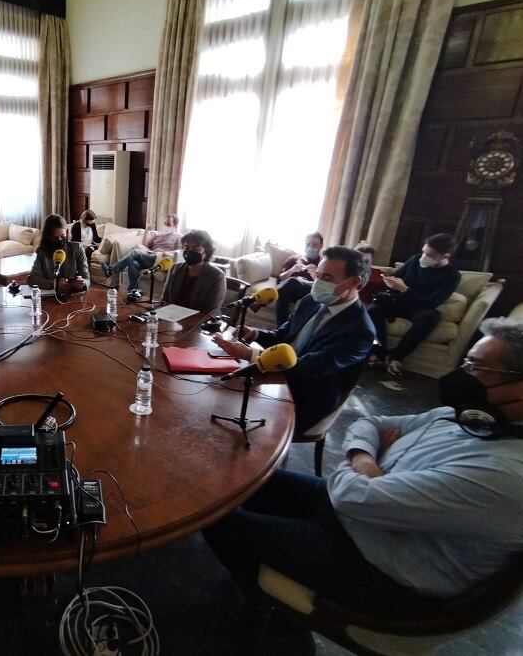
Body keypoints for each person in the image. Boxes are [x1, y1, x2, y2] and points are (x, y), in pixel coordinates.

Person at [203, 318, 523, 633]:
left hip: (379, 570)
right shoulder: (467, 418)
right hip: (365, 519)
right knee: (240, 484)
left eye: (476, 367)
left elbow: (352, 498)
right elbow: (371, 423)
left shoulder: (506, 475)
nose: (462, 375)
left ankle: (260, 598)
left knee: (216, 520)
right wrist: (367, 462)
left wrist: (369, 466)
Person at [214, 246, 375, 433]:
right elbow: (282, 336)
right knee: (220, 391)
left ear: (355, 283)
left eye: (327, 278)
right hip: (279, 377)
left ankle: (269, 459)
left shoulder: (360, 330)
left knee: (244, 416)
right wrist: (255, 334)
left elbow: (311, 367)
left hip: (307, 396)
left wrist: (252, 354)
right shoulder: (311, 301)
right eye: (319, 275)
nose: (318, 283)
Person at [368, 233, 461, 377]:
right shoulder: (415, 259)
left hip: (421, 307)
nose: (424, 257)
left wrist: (405, 289)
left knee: (430, 317)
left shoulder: (452, 275)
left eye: (430, 255)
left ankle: (396, 357)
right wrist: (391, 282)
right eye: (424, 252)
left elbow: (431, 302)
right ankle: (379, 352)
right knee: (373, 310)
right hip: (398, 301)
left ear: (445, 256)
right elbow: (398, 276)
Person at [101, 213, 182, 302]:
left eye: (168, 224)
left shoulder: (178, 236)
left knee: (135, 252)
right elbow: (145, 245)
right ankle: (133, 291)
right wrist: (147, 231)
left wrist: (165, 254)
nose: (166, 225)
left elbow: (179, 252)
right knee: (133, 262)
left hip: (160, 258)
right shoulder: (157, 235)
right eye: (165, 223)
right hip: (150, 256)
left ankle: (111, 270)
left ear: (175, 225)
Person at [160, 230, 226, 313]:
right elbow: (164, 301)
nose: (190, 251)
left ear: (207, 251)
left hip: (199, 322)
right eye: (186, 247)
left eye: (196, 248)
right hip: (171, 318)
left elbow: (211, 312)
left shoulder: (217, 276)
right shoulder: (175, 268)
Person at [28, 213, 90, 294]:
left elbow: (86, 278)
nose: (60, 240)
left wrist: (82, 283)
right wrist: (54, 284)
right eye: (55, 238)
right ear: (48, 237)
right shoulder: (42, 251)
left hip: (72, 296)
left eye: (63, 236)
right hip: (51, 297)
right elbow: (32, 279)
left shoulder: (77, 249)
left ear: (67, 233)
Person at [274, 231, 324, 325]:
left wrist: (314, 275)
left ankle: (260, 302)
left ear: (320, 246)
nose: (311, 247)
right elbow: (280, 279)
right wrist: (292, 270)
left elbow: (323, 288)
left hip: (310, 291)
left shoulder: (323, 264)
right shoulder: (294, 259)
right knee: (285, 289)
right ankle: (281, 327)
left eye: (314, 245)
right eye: (308, 244)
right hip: (289, 291)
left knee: (292, 281)